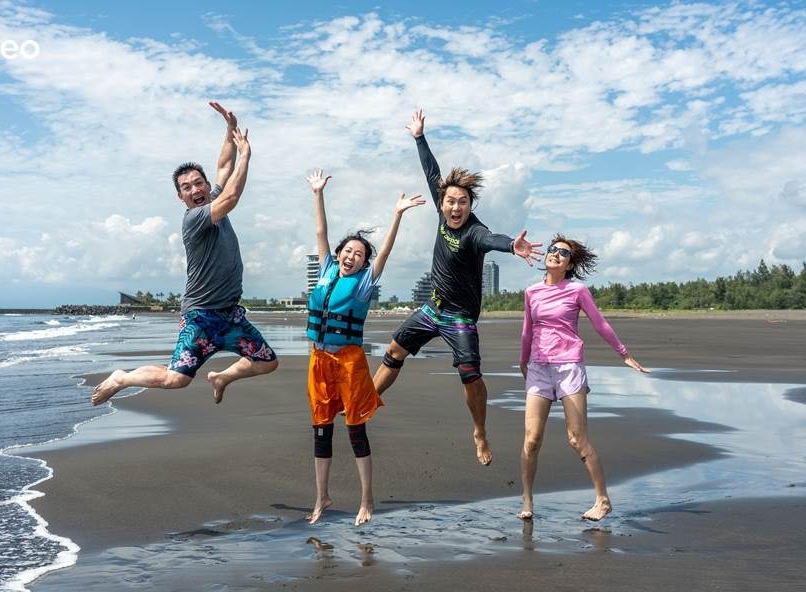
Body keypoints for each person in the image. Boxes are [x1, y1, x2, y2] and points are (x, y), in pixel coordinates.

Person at [372, 109, 541, 466]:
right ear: (443, 203)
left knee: (471, 376)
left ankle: (479, 432)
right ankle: (366, 400)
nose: (455, 207)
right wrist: (419, 137)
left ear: (469, 205)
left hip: (460, 317)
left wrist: (512, 246)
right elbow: (431, 171)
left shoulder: (474, 231)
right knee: (394, 350)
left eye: (463, 202)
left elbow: (492, 239)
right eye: (450, 201)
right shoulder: (441, 209)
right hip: (432, 308)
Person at [91, 102, 278, 406]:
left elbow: (223, 168)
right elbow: (232, 196)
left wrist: (229, 131)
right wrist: (246, 154)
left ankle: (222, 377)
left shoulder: (211, 198)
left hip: (230, 315)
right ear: (181, 197)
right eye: (186, 188)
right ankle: (121, 377)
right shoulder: (195, 218)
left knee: (267, 362)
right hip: (201, 316)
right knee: (175, 379)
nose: (195, 190)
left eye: (198, 183)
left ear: (206, 186)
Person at [304, 169, 426, 526]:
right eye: (348, 251)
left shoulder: (363, 284)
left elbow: (384, 252)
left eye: (359, 254)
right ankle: (322, 497)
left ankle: (366, 499)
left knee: (356, 429)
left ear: (363, 262)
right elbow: (321, 232)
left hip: (349, 363)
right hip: (318, 361)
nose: (352, 256)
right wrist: (317, 194)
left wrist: (397, 214)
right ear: (338, 254)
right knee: (321, 428)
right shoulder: (326, 269)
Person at [517, 235, 649, 521]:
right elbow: (528, 330)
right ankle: (527, 502)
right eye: (552, 249)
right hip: (539, 368)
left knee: (577, 438)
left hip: (569, 367)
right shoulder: (531, 292)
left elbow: (600, 323)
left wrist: (624, 354)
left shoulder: (577, 290)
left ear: (569, 264)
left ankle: (603, 500)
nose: (555, 254)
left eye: (563, 253)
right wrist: (522, 361)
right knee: (531, 440)